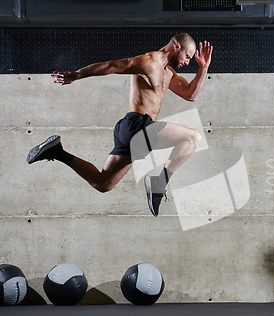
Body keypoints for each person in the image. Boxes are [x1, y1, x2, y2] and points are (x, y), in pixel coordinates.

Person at [26, 33, 213, 217]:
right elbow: (112, 66)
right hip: (139, 126)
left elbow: (191, 95)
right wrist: (77, 75)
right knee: (193, 138)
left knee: (103, 184)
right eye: (188, 57)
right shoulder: (150, 61)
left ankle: (56, 151)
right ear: (177, 47)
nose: (188, 62)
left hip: (134, 133)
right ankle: (159, 183)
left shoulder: (168, 72)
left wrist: (203, 68)